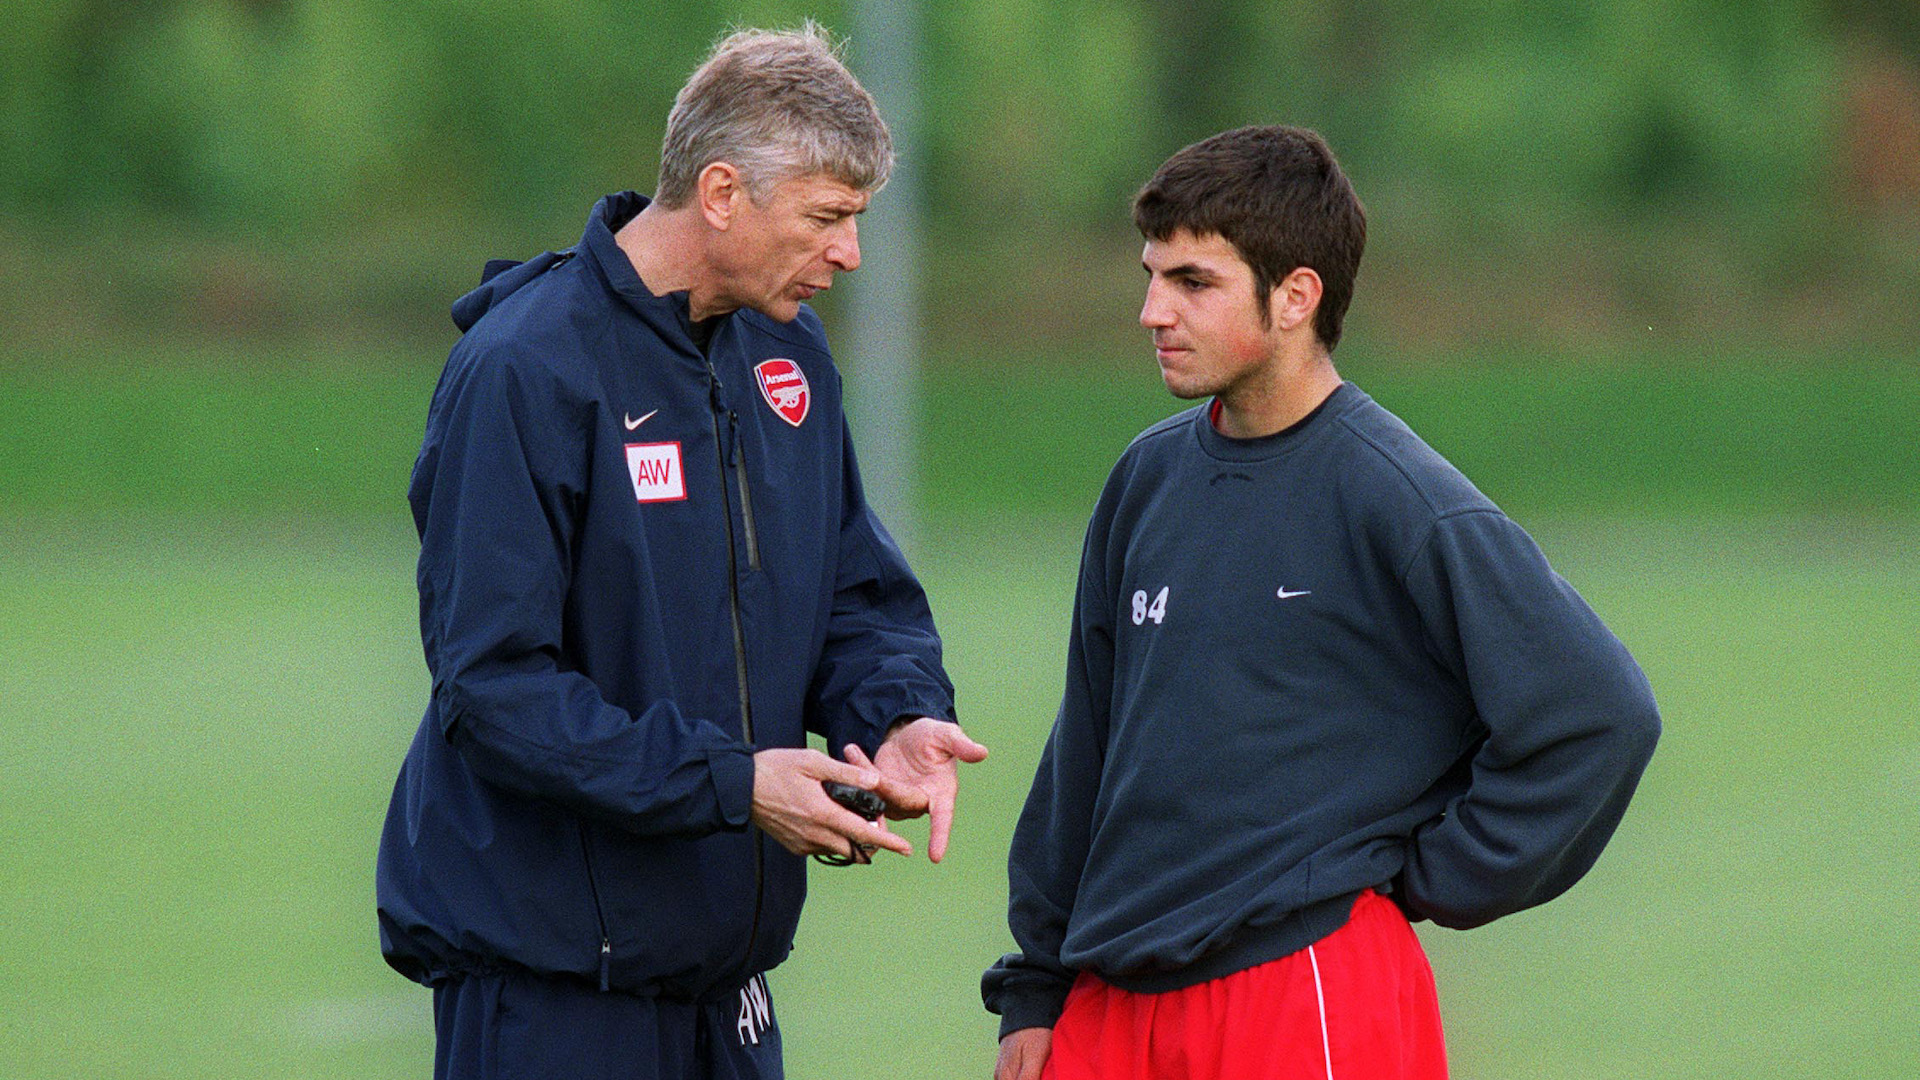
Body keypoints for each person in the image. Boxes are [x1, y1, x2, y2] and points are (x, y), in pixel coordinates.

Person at [982, 125, 1660, 1080]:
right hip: (1111, 1003)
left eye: (1193, 283)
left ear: (1296, 295)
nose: (1151, 311)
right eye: (1151, 275)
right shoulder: (1145, 479)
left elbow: (1600, 717)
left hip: (1299, 993)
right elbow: (1088, 744)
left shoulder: (1403, 498)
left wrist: (1423, 880)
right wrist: (1035, 984)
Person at [376, 24, 987, 1080]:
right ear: (720, 193)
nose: (850, 253)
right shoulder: (525, 371)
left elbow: (854, 592)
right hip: (556, 997)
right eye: (829, 218)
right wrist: (733, 783)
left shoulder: (787, 351)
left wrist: (892, 715)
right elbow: (495, 690)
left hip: (726, 995)